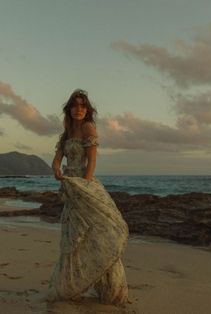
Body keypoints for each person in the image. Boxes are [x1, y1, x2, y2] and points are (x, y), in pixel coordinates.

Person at [46, 89, 129, 306]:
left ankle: (111, 288)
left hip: (85, 185)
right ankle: (71, 286)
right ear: (69, 109)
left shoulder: (88, 128)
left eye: (83, 106)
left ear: (87, 109)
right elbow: (57, 159)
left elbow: (91, 162)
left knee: (98, 234)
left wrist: (85, 185)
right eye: (75, 105)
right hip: (70, 188)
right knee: (72, 238)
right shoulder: (65, 134)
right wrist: (56, 169)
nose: (79, 109)